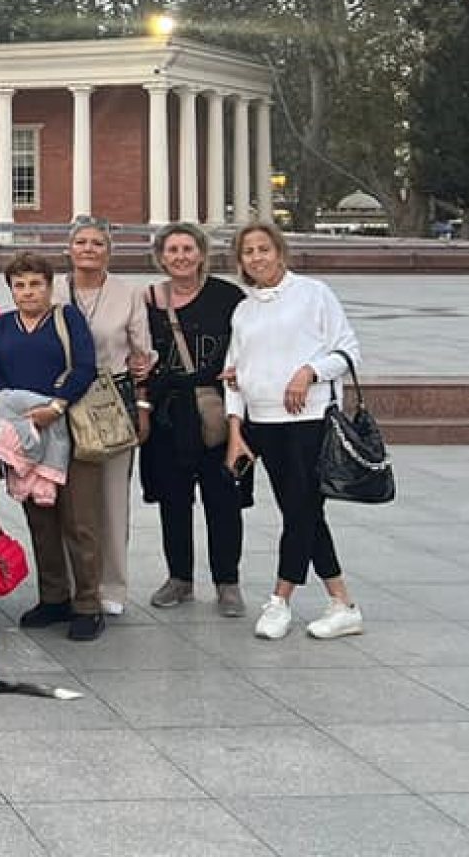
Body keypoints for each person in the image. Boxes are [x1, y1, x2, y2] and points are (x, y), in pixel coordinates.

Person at [224, 220, 366, 641]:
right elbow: (234, 373)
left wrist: (308, 372)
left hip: (309, 419)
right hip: (263, 423)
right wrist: (236, 429)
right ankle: (342, 602)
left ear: (280, 251)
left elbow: (347, 350)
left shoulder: (313, 293)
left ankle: (280, 599)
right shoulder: (245, 309)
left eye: (263, 249)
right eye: (248, 252)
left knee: (301, 510)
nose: (256, 258)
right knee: (302, 512)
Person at [0, 250, 102, 641]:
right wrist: (16, 411)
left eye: (35, 284)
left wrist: (55, 405)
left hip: (67, 429)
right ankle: (54, 597)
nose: (28, 292)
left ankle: (88, 603)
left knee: (78, 519)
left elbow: (86, 365)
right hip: (24, 435)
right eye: (20, 285)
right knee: (40, 518)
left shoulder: (66, 318)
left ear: (49, 287)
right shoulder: (3, 326)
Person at [142, 222, 247, 617]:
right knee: (174, 500)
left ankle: (227, 582)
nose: (181, 257)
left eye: (188, 249)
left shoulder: (228, 297)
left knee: (223, 499)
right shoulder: (150, 300)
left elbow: (249, 345)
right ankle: (179, 578)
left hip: (216, 412)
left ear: (201, 253)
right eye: (172, 250)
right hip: (170, 414)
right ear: (161, 257)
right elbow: (138, 348)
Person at [53, 217, 154, 618]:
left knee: (111, 498)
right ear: (69, 248)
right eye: (81, 241)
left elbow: (142, 356)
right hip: (61, 398)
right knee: (64, 497)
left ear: (108, 250)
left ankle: (111, 583)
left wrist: (142, 406)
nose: (89, 249)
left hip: (109, 401)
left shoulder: (127, 294)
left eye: (97, 242)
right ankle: (73, 582)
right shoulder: (55, 289)